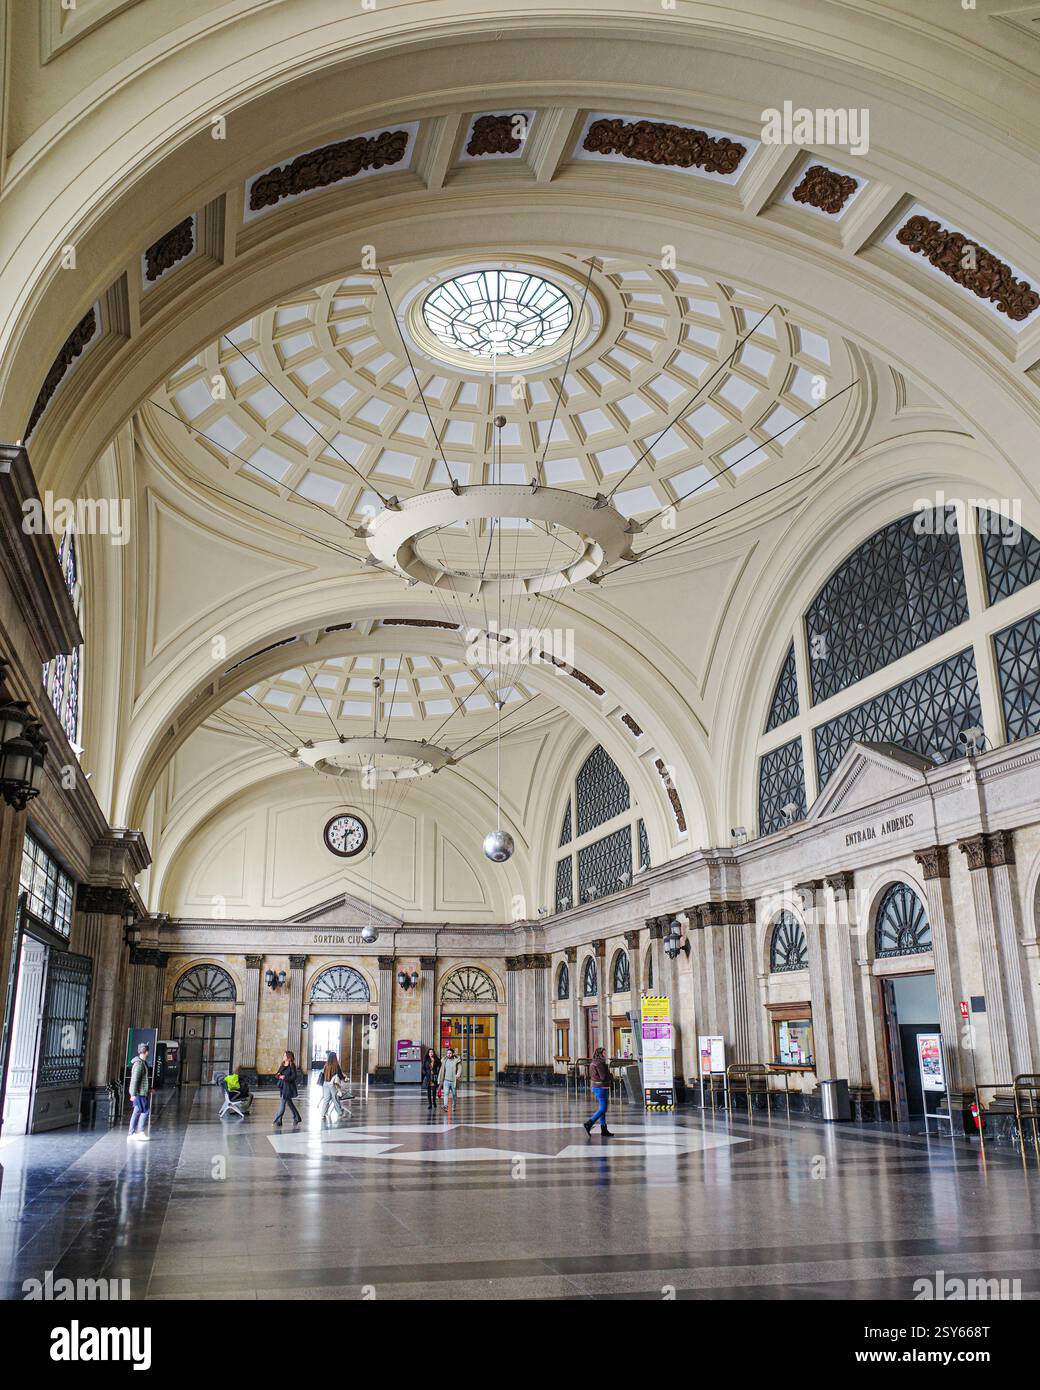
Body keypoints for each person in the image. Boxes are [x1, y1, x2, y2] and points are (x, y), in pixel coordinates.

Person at [583, 1046, 613, 1137]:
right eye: (604, 1053)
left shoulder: (594, 1062)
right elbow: (603, 1077)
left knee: (602, 1108)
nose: (605, 1054)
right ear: (600, 1053)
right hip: (601, 1087)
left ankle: (604, 1129)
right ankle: (589, 1123)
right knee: (603, 1108)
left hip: (596, 1087)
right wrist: (610, 1075)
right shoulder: (600, 1063)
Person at [127, 1042, 152, 1141]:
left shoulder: (142, 1063)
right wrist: (132, 1094)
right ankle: (140, 1132)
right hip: (140, 1093)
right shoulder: (139, 1064)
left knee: (137, 1111)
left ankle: (131, 1133)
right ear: (146, 1052)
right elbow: (135, 1080)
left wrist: (149, 1089)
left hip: (142, 1091)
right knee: (145, 1111)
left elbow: (142, 1080)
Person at [273, 1049, 301, 1126]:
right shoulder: (283, 1064)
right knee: (289, 1103)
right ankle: (297, 1118)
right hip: (282, 1086)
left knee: (282, 1103)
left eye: (285, 1055)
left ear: (289, 1057)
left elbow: (294, 1077)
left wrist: (285, 1077)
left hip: (288, 1087)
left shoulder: (292, 1065)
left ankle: (278, 1120)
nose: (283, 1056)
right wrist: (278, 1075)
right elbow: (277, 1074)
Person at [318, 1050, 345, 1122]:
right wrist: (345, 1078)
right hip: (332, 1084)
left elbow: (322, 1073)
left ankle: (323, 1114)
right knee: (335, 1098)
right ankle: (340, 1112)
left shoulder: (326, 1065)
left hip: (325, 1083)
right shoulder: (336, 1065)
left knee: (326, 1099)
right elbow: (340, 1075)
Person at [438, 1047, 461, 1117]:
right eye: (447, 1053)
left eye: (450, 1053)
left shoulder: (456, 1060)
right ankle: (445, 1106)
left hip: (453, 1081)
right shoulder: (444, 1060)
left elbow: (460, 1068)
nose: (449, 1054)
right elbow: (441, 1067)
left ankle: (454, 1106)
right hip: (446, 1080)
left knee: (454, 1095)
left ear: (453, 1054)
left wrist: (458, 1074)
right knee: (446, 1093)